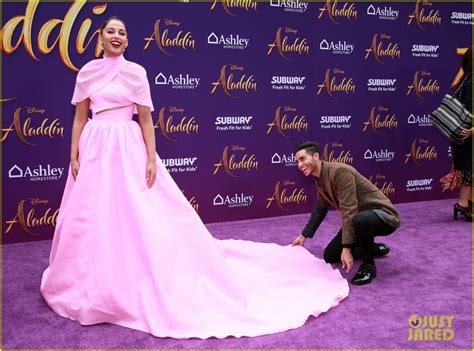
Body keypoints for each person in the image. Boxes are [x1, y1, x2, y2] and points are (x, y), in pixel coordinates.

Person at [40, 16, 349, 339]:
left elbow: (145, 120)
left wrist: (149, 157)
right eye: (111, 32)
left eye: (122, 32)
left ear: (127, 41)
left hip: (128, 148)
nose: (116, 36)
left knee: (135, 213)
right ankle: (91, 279)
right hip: (95, 148)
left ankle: (128, 278)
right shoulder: (87, 72)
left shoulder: (136, 73)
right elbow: (79, 118)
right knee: (92, 215)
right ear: (100, 38)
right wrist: (74, 153)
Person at [292, 141, 401, 285]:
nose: (299, 165)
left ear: (316, 156)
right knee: (330, 255)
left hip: (383, 216)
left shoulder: (339, 171)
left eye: (302, 159)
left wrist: (347, 249)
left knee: (359, 220)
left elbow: (349, 209)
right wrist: (304, 235)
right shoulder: (320, 181)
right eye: (297, 161)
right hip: (358, 218)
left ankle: (368, 266)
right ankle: (368, 248)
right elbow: (320, 210)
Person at [441, 46, 472, 222]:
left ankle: (465, 203)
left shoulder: (466, 79)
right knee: (469, 170)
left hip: (461, 133)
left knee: (469, 170)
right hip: (467, 134)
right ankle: (464, 204)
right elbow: (470, 108)